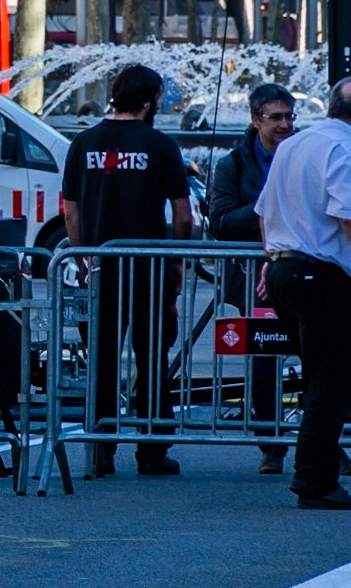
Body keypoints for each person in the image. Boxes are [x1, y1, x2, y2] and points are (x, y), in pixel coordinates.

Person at [61, 64, 191, 478]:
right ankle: (152, 450)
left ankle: (100, 448)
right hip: (149, 271)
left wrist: (82, 257)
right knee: (152, 358)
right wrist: (176, 260)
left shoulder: (83, 142)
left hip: (101, 270)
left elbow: (70, 209)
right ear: (149, 101)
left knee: (101, 360)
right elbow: (183, 215)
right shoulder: (161, 145)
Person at [256, 78, 351, 509]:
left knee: (320, 378)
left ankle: (315, 474)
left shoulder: (294, 144)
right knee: (328, 383)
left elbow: (264, 210)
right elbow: (347, 217)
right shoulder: (343, 149)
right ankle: (314, 481)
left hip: (284, 271)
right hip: (321, 274)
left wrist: (272, 257)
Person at [210, 82, 301, 475]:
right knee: (264, 358)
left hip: (304, 269)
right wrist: (266, 206)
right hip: (255, 275)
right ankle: (271, 444)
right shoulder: (232, 164)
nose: (284, 125)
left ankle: (327, 444)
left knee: (321, 357)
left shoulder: (303, 152)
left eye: (289, 117)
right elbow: (220, 222)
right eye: (275, 117)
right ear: (255, 119)